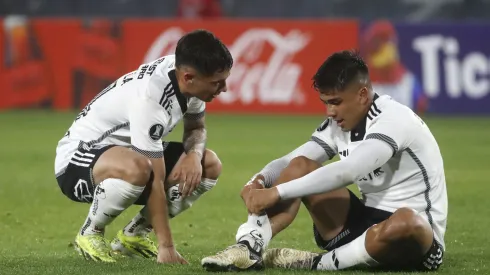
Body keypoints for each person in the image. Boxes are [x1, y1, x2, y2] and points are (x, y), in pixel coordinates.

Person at [201, 50, 447, 272]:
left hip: (417, 236)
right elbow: (293, 160)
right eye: (326, 103)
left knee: (404, 220)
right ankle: (248, 245)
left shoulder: (394, 119)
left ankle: (318, 263)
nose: (330, 112)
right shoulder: (339, 124)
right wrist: (259, 180)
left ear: (362, 94)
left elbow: (349, 171)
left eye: (336, 102)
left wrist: (277, 192)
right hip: (363, 223)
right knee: (299, 166)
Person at [54, 29, 233, 264]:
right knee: (141, 167)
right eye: (217, 83)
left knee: (208, 164)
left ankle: (133, 235)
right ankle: (90, 233)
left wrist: (194, 154)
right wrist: (166, 246)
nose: (225, 88)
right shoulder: (150, 99)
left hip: (125, 155)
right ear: (188, 77)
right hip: (77, 162)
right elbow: (155, 179)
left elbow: (196, 128)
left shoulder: (188, 73)